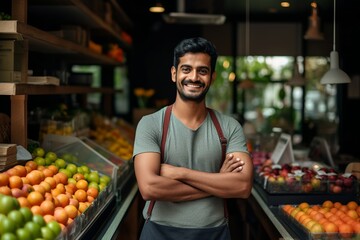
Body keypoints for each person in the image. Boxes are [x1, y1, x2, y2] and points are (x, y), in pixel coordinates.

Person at [133, 37, 253, 240]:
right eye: (186, 69)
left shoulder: (229, 127)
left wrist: (179, 173)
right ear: (174, 74)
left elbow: (242, 187)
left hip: (214, 233)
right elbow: (149, 188)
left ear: (212, 77)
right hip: (158, 232)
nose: (194, 77)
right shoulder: (151, 124)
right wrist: (218, 182)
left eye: (202, 71)